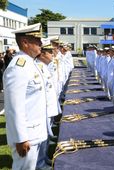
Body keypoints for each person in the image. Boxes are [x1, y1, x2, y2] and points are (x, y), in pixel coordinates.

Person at [3, 23, 48, 170]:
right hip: (27, 136)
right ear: (25, 42)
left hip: (35, 132)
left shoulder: (30, 63)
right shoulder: (18, 67)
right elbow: (14, 107)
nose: (41, 43)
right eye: (37, 40)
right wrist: (21, 138)